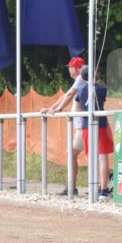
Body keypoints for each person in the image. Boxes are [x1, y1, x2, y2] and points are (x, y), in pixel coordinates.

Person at [41, 56, 86, 195]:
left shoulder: (81, 79)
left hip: (84, 125)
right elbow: (66, 95)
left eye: (71, 67)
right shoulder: (81, 80)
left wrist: (58, 109)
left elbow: (70, 95)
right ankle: (77, 187)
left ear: (78, 69)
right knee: (90, 154)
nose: (69, 70)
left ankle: (74, 187)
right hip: (82, 125)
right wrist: (52, 107)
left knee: (74, 153)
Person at [75, 66, 114, 202]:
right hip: (101, 125)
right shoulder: (102, 89)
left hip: (86, 126)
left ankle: (95, 187)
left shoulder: (80, 90)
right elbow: (101, 102)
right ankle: (104, 190)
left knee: (92, 157)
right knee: (103, 156)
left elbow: (78, 107)